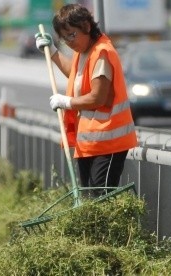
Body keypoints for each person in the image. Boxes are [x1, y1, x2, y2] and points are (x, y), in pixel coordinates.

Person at [34, 3, 138, 196]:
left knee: (101, 198)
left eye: (72, 35)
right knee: (89, 198)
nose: (70, 42)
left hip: (109, 141)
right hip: (89, 142)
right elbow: (74, 74)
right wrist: (53, 51)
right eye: (64, 39)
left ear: (87, 27)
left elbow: (98, 97)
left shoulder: (102, 53)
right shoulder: (83, 52)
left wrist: (67, 102)